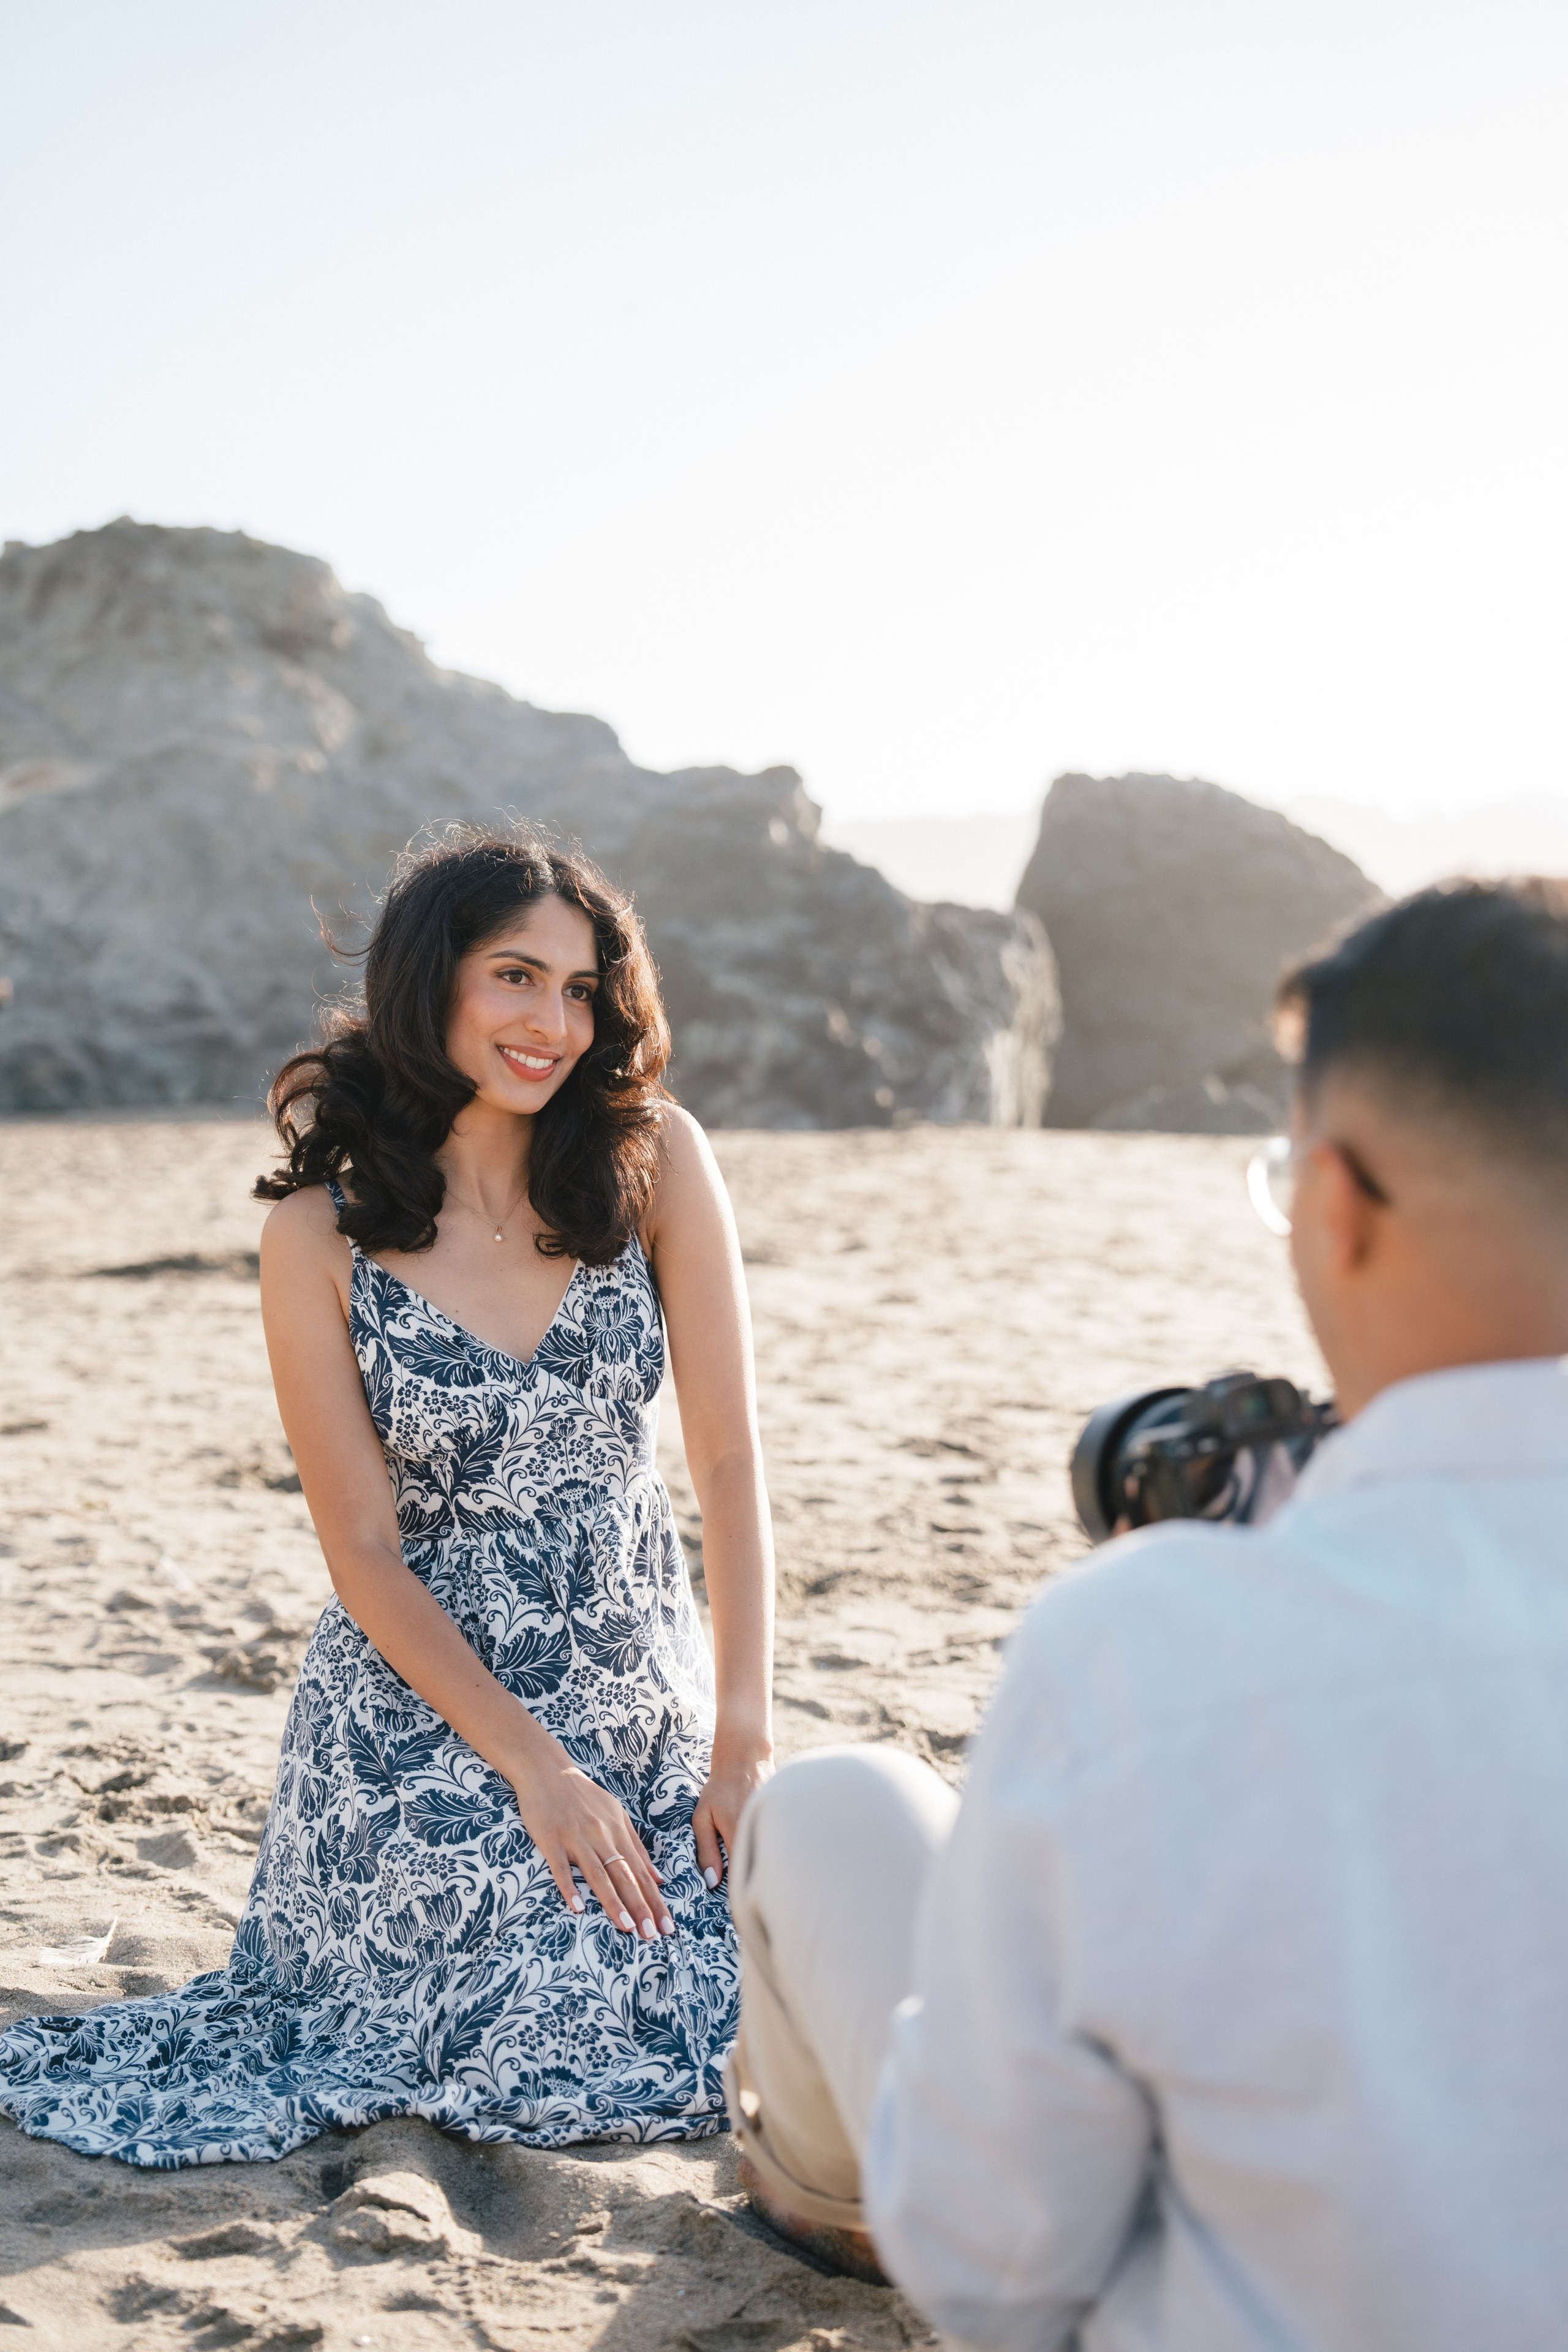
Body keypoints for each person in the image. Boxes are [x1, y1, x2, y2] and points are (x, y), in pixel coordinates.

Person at [726, 876, 1568, 2351]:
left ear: (1336, 1207)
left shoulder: (1152, 1644)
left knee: (836, 1805)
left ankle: (801, 2187)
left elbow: (997, 2261)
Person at [0, 826, 774, 2165]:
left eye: (580, 989)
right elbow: (362, 1551)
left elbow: (727, 1461)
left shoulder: (653, 1162)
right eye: (513, 978)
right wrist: (534, 1772)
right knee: (554, 2018)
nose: (551, 1022)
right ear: (435, 984)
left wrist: (742, 1733)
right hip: (422, 1721)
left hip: (638, 1696)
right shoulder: (317, 1232)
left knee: (728, 1991)